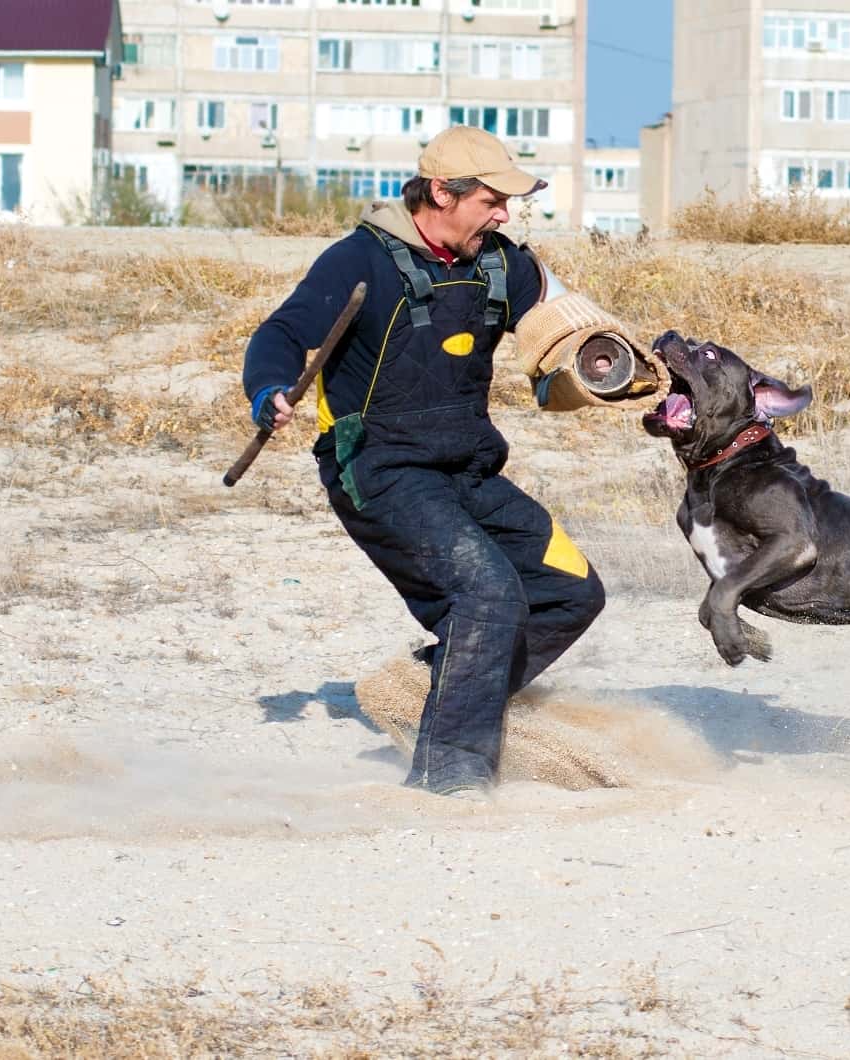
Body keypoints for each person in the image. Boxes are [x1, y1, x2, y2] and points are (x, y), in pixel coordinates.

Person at [242, 127, 606, 799]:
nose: (503, 215)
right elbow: (281, 335)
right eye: (492, 201)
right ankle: (451, 780)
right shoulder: (358, 261)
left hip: (467, 471)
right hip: (377, 470)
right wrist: (268, 391)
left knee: (572, 591)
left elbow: (570, 325)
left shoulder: (504, 264)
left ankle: (426, 692)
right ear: (442, 192)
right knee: (488, 595)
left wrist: (610, 366)